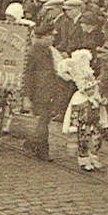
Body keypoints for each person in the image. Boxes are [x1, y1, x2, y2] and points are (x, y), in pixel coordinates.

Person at [22, 23, 68, 161]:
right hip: (39, 93)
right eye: (51, 36)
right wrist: (26, 97)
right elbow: (28, 76)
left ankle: (31, 143)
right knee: (42, 122)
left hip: (48, 92)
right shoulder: (33, 52)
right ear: (43, 37)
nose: (53, 39)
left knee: (44, 121)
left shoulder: (47, 50)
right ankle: (42, 151)